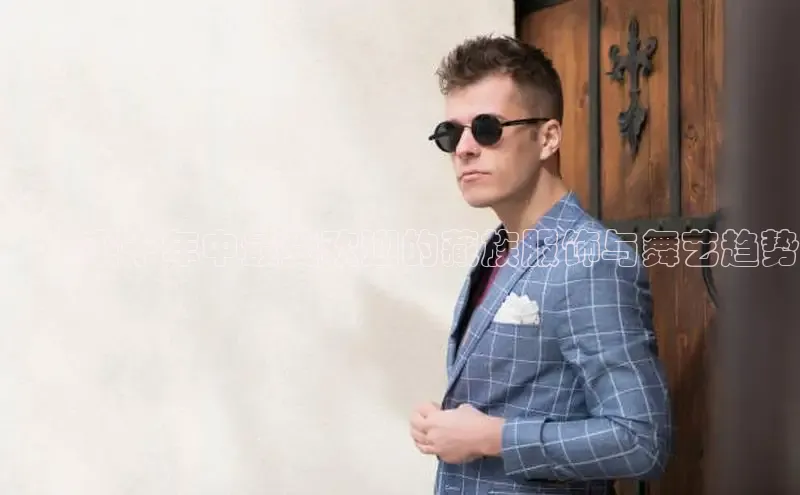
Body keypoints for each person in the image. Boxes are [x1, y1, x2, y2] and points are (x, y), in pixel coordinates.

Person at [409, 35, 673, 495]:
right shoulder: (499, 247)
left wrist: (491, 437)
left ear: (548, 138)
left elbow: (640, 440)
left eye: (487, 128)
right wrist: (447, 427)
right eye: (451, 133)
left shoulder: (591, 260)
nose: (465, 148)